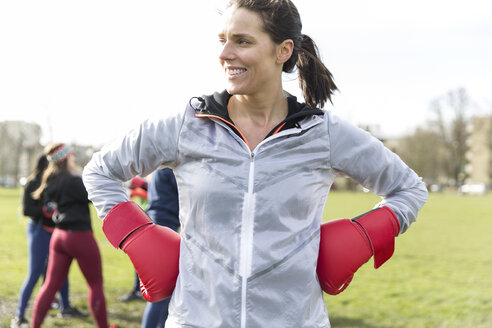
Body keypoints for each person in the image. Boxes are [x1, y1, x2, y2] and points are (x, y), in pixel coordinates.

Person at [82, 1, 428, 327]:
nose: (224, 53)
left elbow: (409, 189)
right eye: (222, 40)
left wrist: (364, 238)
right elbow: (100, 171)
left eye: (242, 41)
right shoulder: (187, 125)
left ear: (283, 51)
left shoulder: (323, 134)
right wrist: (135, 236)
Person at [30, 143, 111, 328]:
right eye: (72, 156)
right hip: (80, 236)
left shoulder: (51, 180)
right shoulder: (75, 182)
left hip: (59, 237)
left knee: (50, 285)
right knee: (95, 285)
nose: (74, 159)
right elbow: (95, 197)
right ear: (66, 158)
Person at [11, 154, 83, 328]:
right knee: (35, 272)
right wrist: (44, 211)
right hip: (38, 231)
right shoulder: (33, 183)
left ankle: (65, 307)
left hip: (58, 232)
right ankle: (19, 316)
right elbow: (27, 209)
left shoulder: (58, 182)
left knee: (61, 271)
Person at [141, 168, 180, 328]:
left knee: (165, 290)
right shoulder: (169, 170)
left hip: (156, 224)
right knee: (161, 293)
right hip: (165, 226)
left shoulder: (158, 170)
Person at [118, 177, 148, 303]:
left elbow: (145, 186)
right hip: (142, 221)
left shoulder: (159, 174)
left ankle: (143, 289)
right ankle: (138, 289)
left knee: (146, 260)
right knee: (140, 259)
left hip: (150, 222)